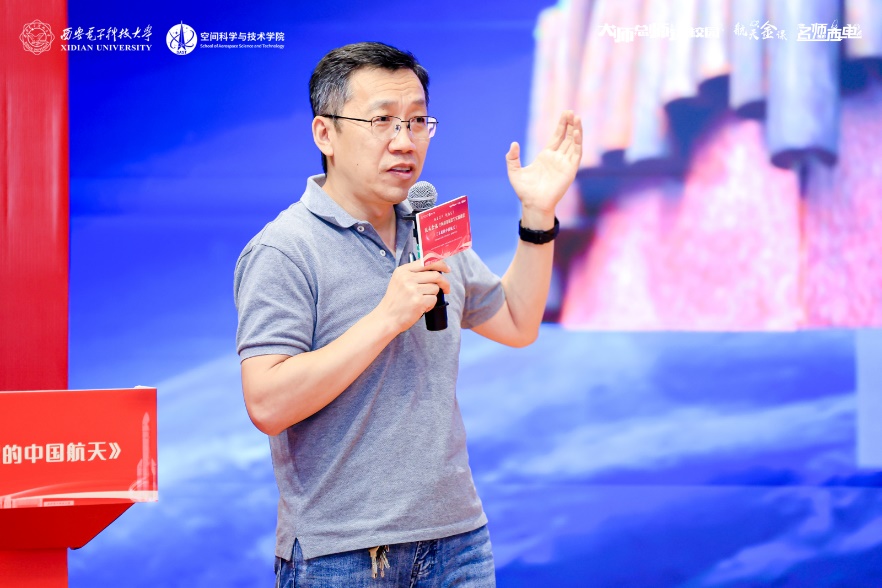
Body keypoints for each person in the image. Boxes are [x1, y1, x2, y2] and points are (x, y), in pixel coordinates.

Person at [234, 41, 581, 587]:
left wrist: (537, 214)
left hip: (459, 540)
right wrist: (385, 318)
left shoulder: (432, 227)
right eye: (382, 121)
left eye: (418, 121)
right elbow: (267, 403)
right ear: (325, 134)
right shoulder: (284, 249)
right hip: (344, 554)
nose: (404, 141)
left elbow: (517, 322)